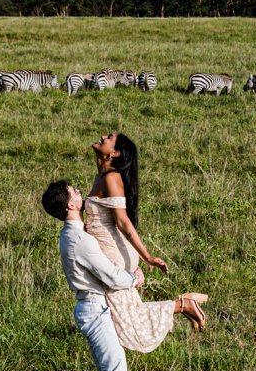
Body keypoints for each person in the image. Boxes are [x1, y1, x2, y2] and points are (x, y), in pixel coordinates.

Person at [41, 179, 203, 371]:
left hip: (97, 305)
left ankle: (182, 305)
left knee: (118, 353)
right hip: (94, 309)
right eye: (74, 192)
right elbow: (110, 276)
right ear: (70, 205)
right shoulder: (80, 240)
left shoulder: (73, 234)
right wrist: (134, 278)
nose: (79, 191)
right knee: (113, 366)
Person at [85, 132, 207, 349]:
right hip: (109, 251)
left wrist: (147, 256)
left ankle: (183, 305)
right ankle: (181, 305)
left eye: (109, 137)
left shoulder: (111, 177)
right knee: (125, 316)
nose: (103, 136)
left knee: (127, 324)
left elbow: (122, 222)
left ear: (115, 153)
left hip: (112, 255)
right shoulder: (103, 175)